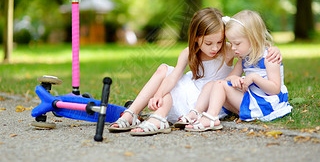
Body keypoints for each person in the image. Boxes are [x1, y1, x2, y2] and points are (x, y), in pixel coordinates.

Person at [108, 7, 281, 136]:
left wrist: (274, 50)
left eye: (219, 42)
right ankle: (132, 114)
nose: (215, 48)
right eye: (208, 43)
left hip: (208, 99)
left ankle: (157, 118)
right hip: (192, 88)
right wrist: (159, 94)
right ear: (196, 39)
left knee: (171, 91)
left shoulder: (228, 50)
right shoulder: (188, 53)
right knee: (164, 72)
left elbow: (251, 44)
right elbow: (174, 77)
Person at [185, 10, 292, 132]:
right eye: (231, 43)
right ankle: (196, 112)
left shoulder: (269, 57)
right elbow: (228, 79)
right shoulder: (243, 58)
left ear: (254, 39)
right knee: (213, 84)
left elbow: (275, 89)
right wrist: (233, 78)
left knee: (219, 85)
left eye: (237, 43)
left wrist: (254, 78)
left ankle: (211, 117)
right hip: (251, 100)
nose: (233, 47)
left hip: (265, 105)